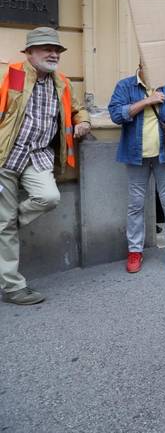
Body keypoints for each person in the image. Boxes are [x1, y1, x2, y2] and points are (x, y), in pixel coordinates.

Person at [0, 27, 91, 305]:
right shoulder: (12, 73)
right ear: (29, 53)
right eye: (46, 49)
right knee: (3, 226)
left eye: (57, 50)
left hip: (38, 155)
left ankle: (8, 222)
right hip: (5, 155)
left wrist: (83, 120)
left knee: (48, 197)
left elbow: (77, 108)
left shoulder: (62, 82)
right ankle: (13, 287)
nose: (53, 54)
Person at [109, 63, 165, 273]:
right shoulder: (126, 86)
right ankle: (135, 250)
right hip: (135, 154)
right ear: (141, 66)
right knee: (136, 204)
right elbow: (116, 115)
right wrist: (147, 101)